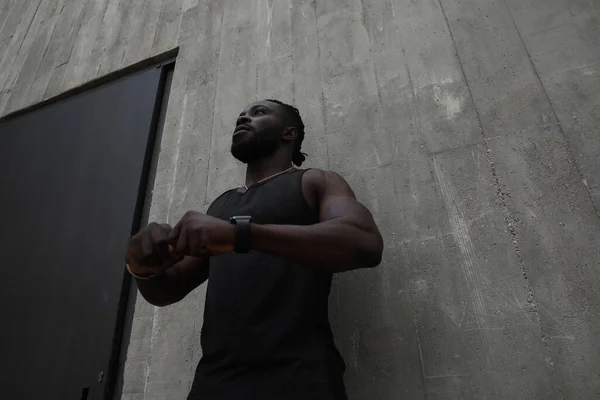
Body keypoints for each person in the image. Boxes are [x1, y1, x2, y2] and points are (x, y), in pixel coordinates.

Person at [125, 99, 384, 400]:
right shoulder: (220, 206)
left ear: (289, 132)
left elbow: (364, 242)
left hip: (300, 380)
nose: (243, 118)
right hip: (215, 384)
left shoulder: (315, 181)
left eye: (258, 113)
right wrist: (143, 267)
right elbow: (168, 290)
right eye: (240, 116)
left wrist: (242, 234)